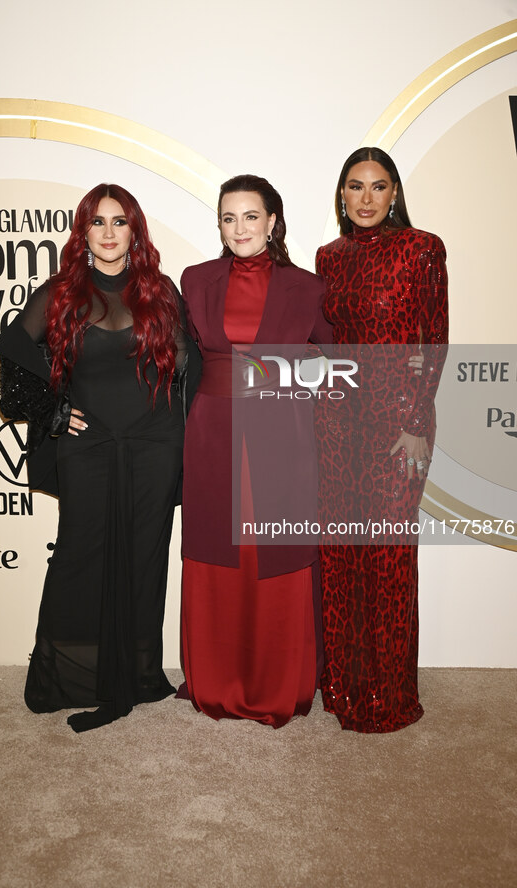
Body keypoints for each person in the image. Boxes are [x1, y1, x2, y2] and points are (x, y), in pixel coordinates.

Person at [0, 183, 195, 733]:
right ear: (83, 232)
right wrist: (54, 411)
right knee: (79, 554)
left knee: (145, 558)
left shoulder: (161, 291)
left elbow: (186, 368)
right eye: (97, 222)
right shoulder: (62, 293)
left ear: (136, 231)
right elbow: (13, 355)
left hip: (155, 446)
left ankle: (136, 674)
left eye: (120, 222)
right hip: (88, 446)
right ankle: (69, 678)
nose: (109, 233)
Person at [179, 174, 333, 728]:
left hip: (281, 434)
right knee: (218, 549)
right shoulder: (194, 280)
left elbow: (341, 360)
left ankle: (277, 681)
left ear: (273, 222)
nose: (239, 228)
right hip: (212, 433)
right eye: (228, 218)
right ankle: (215, 679)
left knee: (275, 552)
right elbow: (178, 360)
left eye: (250, 217)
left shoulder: (308, 287)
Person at [315, 147, 449, 733]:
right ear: (341, 196)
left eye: (378, 186)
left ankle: (391, 694)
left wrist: (418, 421)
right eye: (354, 187)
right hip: (339, 419)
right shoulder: (327, 257)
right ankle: (344, 684)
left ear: (394, 193)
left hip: (400, 419)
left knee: (389, 556)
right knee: (343, 553)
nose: (366, 198)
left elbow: (437, 338)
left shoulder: (423, 249)